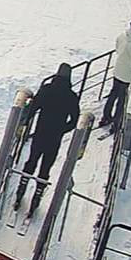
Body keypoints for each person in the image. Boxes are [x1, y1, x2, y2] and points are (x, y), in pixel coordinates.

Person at [15, 64, 80, 213]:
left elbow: (33, 108)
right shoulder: (71, 96)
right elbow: (74, 120)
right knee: (45, 168)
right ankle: (36, 199)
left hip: (40, 133)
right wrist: (62, 129)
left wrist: (25, 123)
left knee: (31, 161)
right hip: (54, 138)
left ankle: (20, 191)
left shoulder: (47, 89)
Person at [99, 17, 131, 135]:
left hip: (118, 70)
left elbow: (117, 47)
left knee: (113, 94)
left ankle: (105, 117)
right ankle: (116, 123)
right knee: (121, 100)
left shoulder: (122, 35)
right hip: (126, 75)